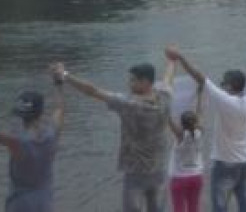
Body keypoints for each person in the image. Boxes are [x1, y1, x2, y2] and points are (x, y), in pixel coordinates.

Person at [166, 46, 246, 212]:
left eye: (223, 83)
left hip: (224, 163)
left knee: (220, 206)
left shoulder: (224, 100)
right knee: (245, 203)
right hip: (245, 162)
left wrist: (180, 57)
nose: (221, 86)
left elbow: (199, 76)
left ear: (229, 86)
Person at [60, 58, 172, 212]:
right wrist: (172, 60)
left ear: (145, 82)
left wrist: (65, 75)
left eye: (133, 80)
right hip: (159, 169)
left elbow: (92, 90)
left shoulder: (129, 104)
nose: (129, 84)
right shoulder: (165, 97)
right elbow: (168, 78)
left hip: (136, 173)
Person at [1, 67, 64, 212]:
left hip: (20, 203)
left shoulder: (17, 142)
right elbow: (59, 109)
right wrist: (58, 83)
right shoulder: (52, 133)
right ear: (41, 112)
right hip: (44, 202)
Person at [166, 64, 205, 212]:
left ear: (181, 124)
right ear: (195, 122)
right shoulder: (199, 133)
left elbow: (167, 117)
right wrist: (200, 93)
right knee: (194, 208)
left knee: (179, 209)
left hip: (179, 178)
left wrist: (161, 100)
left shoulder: (180, 135)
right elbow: (199, 111)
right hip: (196, 177)